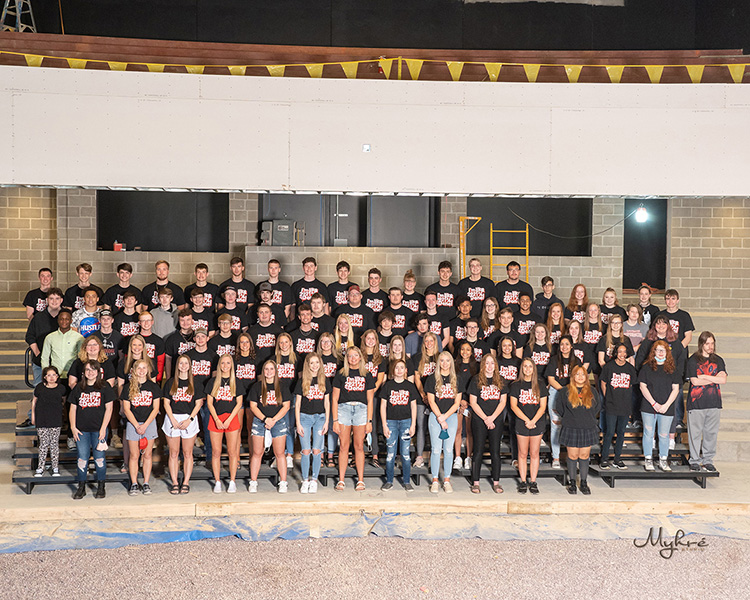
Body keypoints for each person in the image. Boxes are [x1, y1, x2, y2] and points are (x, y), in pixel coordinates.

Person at [68, 360, 115, 499]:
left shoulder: (105, 387)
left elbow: (109, 409)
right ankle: (81, 487)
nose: (90, 372)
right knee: (82, 459)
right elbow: (72, 408)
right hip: (81, 431)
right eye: (88, 370)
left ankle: (101, 486)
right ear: (83, 372)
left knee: (99, 459)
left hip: (99, 430)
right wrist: (73, 427)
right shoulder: (78, 387)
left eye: (93, 370)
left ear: (98, 372)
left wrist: (103, 428)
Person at [332, 346, 376, 491]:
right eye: (350, 356)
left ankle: (360, 480)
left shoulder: (367, 375)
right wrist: (335, 420)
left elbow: (370, 400)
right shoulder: (341, 374)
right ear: (347, 358)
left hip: (361, 410)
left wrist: (369, 421)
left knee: (359, 446)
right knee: (344, 446)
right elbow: (334, 398)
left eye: (356, 355)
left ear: (360, 357)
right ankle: (341, 480)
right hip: (343, 409)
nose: (353, 358)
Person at [248, 360, 291, 493]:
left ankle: (283, 482)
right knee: (257, 453)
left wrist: (273, 420)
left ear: (275, 371)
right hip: (260, 421)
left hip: (278, 421)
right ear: (263, 371)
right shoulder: (257, 386)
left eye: (271, 369)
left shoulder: (282, 386)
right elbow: (253, 406)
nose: (269, 372)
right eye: (266, 369)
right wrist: (265, 419)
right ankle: (253, 482)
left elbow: (286, 406)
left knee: (279, 453)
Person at [162, 355, 203, 494]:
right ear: (177, 365)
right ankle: (174, 482)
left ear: (190, 365)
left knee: (187, 453)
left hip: (189, 419)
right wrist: (172, 419)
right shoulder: (171, 382)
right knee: (173, 453)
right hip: (172, 418)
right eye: (181, 363)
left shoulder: (195, 382)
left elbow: (199, 403)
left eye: (186, 363)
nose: (183, 366)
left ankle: (185, 482)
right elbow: (166, 403)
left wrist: (189, 419)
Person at [639, 340, 682, 472]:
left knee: (664, 434)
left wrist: (666, 405)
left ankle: (663, 459)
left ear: (667, 352)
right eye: (658, 350)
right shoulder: (646, 367)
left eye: (663, 350)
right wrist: (654, 403)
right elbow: (642, 386)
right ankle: (648, 459)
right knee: (648, 433)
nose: (661, 352)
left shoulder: (672, 369)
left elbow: (676, 389)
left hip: (666, 407)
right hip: (649, 406)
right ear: (654, 352)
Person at [686, 332, 727, 472]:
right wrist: (714, 378)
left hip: (714, 403)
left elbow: (723, 380)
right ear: (701, 344)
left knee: (711, 434)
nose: (710, 346)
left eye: (712, 343)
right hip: (696, 404)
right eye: (707, 343)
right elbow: (695, 382)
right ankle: (694, 460)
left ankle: (708, 460)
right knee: (695, 434)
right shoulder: (693, 360)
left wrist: (704, 376)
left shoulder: (718, 360)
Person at [205, 354, 246, 493]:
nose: (225, 366)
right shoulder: (213, 382)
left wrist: (228, 420)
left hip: (231, 419)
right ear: (219, 365)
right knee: (216, 452)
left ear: (231, 365)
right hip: (215, 418)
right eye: (223, 363)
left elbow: (239, 403)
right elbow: (209, 403)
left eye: (228, 363)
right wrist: (217, 419)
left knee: (232, 452)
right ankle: (217, 481)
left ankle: (232, 481)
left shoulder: (236, 382)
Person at [468, 354, 507, 494]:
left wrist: (492, 418)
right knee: (478, 451)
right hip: (479, 419)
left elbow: (503, 401)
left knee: (495, 452)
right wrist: (485, 418)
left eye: (492, 363)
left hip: (496, 420)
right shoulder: (475, 380)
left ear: (495, 365)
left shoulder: (501, 380)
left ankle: (496, 482)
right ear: (483, 365)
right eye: (487, 363)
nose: (489, 366)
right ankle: (476, 483)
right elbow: (473, 402)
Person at [122, 359, 161, 495]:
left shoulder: (153, 387)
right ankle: (134, 483)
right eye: (139, 368)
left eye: (144, 368)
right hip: (133, 424)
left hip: (149, 424)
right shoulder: (128, 387)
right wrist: (136, 425)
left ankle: (145, 483)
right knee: (134, 455)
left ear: (148, 370)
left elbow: (156, 408)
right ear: (133, 370)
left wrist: (145, 425)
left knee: (147, 455)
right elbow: (126, 409)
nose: (142, 370)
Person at [424, 351, 462, 494]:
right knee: (435, 449)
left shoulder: (457, 379)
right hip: (435, 416)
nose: (445, 363)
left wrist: (445, 417)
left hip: (450, 417)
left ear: (451, 362)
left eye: (447, 360)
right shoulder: (431, 379)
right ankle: (435, 480)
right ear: (438, 363)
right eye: (442, 360)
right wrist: (440, 417)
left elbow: (457, 403)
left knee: (448, 450)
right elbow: (431, 401)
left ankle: (446, 480)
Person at [559, 365, 600, 495]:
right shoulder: (565, 391)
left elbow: (597, 407)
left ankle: (583, 482)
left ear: (586, 377)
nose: (580, 377)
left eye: (583, 374)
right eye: (577, 374)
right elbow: (560, 408)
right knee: (572, 456)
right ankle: (572, 483)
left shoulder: (593, 391)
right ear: (573, 376)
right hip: (571, 427)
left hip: (587, 427)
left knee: (584, 456)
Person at [379, 359, 418, 491]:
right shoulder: (388, 385)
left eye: (402, 367)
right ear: (393, 370)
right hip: (391, 422)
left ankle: (406, 481)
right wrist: (384, 425)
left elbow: (413, 406)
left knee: (405, 454)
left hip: (406, 422)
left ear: (406, 370)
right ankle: (389, 481)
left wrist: (413, 424)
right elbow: (383, 406)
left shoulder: (410, 386)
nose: (399, 370)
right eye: (397, 367)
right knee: (390, 454)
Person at [510, 358, 547, 494]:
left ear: (534, 369)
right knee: (522, 453)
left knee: (535, 453)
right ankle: (523, 481)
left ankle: (533, 481)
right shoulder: (516, 385)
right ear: (521, 369)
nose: (527, 369)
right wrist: (527, 420)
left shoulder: (540, 384)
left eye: (530, 366)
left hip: (537, 422)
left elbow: (543, 406)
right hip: (522, 422)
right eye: (525, 366)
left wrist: (533, 421)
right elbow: (513, 406)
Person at [295, 353, 331, 493]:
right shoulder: (302, 380)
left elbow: (327, 403)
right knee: (306, 451)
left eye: (317, 362)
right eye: (312, 363)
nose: (315, 365)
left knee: (316, 451)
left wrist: (327, 421)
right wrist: (298, 423)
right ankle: (305, 480)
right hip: (304, 417)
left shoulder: (325, 380)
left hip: (320, 418)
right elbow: (298, 404)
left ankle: (314, 480)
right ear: (307, 365)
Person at [599, 343, 637, 470]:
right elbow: (603, 383)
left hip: (625, 406)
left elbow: (631, 385)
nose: (622, 354)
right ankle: (604, 459)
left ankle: (617, 459)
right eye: (620, 351)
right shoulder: (608, 367)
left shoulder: (630, 369)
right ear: (616, 353)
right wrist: (608, 397)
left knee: (621, 433)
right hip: (611, 405)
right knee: (609, 432)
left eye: (624, 352)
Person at [545, 335, 579, 469]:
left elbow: (580, 378)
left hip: (573, 393)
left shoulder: (576, 361)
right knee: (556, 425)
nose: (564, 347)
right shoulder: (554, 360)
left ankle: (573, 457)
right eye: (562, 344)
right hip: (556, 392)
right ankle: (556, 457)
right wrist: (563, 390)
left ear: (571, 346)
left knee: (573, 425)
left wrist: (569, 391)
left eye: (567, 344)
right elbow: (551, 379)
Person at [411, 331, 440, 468]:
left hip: (437, 397)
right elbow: (417, 378)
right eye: (426, 341)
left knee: (435, 427)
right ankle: (419, 457)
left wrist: (431, 396)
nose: (429, 343)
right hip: (420, 396)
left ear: (435, 342)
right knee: (421, 426)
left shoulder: (440, 357)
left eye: (431, 341)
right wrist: (423, 394)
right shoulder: (418, 357)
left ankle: (435, 456)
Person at [32, 366, 65, 478]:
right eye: (49, 375)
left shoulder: (61, 388)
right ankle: (40, 467)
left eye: (54, 375)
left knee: (54, 443)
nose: (51, 377)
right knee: (43, 443)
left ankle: (55, 467)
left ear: (57, 376)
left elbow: (63, 402)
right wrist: (33, 416)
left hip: (55, 419)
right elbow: (34, 401)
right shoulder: (40, 387)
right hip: (42, 418)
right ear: (45, 377)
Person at [360, 329, 387, 466]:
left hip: (374, 396)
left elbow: (380, 379)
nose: (370, 341)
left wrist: (370, 393)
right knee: (357, 426)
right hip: (358, 394)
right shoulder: (358, 356)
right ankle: (356, 455)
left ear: (376, 341)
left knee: (373, 425)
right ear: (364, 340)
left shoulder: (380, 359)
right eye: (368, 338)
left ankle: (375, 455)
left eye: (373, 338)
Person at [41, 309, 83, 382]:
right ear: (58, 320)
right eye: (61, 319)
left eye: (67, 319)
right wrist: (47, 374)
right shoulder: (50, 337)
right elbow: (44, 358)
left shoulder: (79, 338)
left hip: (73, 376)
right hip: (55, 377)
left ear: (71, 321)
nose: (64, 321)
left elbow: (81, 357)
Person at [454, 340, 477, 470]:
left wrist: (468, 401)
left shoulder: (476, 366)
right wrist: (460, 401)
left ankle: (468, 457)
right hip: (457, 402)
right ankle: (457, 457)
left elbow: (477, 385)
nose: (465, 352)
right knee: (458, 430)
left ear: (472, 352)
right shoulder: (455, 365)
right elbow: (453, 384)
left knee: (469, 431)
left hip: (470, 403)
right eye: (463, 349)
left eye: (468, 350)